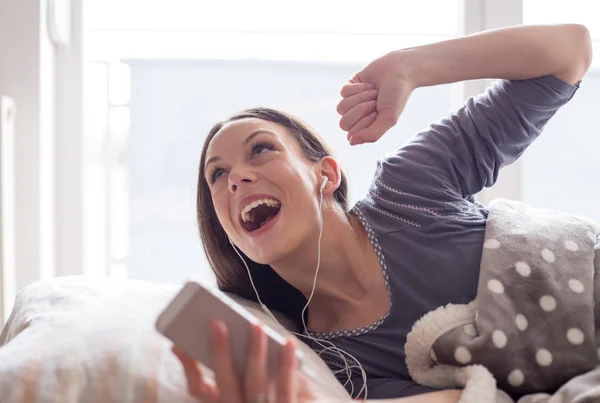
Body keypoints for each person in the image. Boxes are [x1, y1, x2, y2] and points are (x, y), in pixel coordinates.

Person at [173, 23, 593, 403]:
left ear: (326, 174)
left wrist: (412, 66)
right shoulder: (336, 365)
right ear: (228, 229)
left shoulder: (408, 187)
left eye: (261, 149)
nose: (236, 178)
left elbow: (569, 52)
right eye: (217, 175)